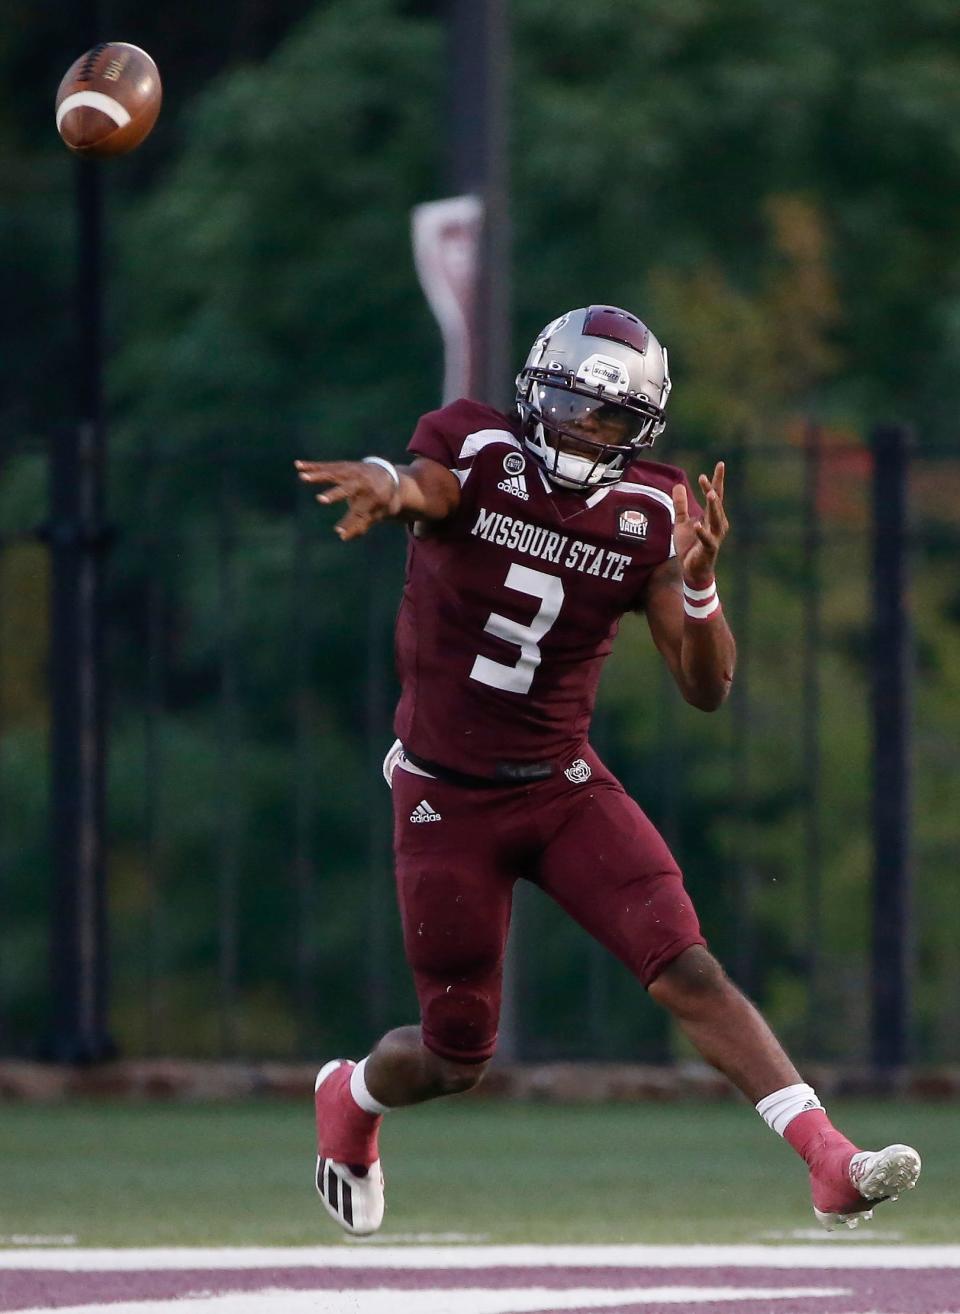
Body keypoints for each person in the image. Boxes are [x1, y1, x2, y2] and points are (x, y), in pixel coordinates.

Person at [295, 304, 920, 1238]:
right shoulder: (476, 448)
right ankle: (351, 1101)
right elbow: (424, 485)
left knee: (687, 967)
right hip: (445, 796)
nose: (590, 433)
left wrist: (700, 584)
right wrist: (386, 482)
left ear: (643, 432)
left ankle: (830, 1162)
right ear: (533, 394)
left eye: (614, 420)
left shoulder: (654, 512)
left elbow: (706, 689)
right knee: (455, 1056)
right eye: (573, 407)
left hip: (558, 784)